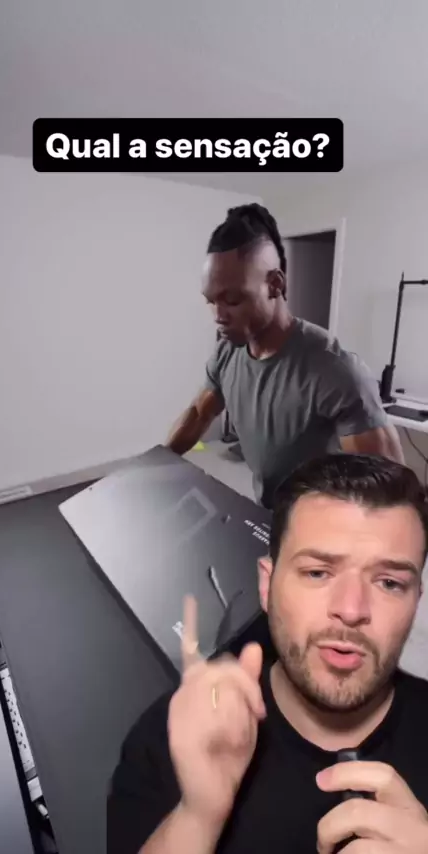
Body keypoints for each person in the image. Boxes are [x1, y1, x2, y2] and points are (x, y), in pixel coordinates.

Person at [106, 453, 428, 854]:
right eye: (318, 573)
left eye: (389, 583)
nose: (351, 609)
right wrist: (197, 816)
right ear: (267, 584)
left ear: (416, 600)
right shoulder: (175, 739)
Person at [166, 204, 404, 508]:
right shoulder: (227, 352)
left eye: (232, 300)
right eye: (211, 301)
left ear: (275, 284)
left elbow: (391, 490)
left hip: (321, 522)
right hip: (270, 511)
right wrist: (151, 466)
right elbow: (199, 414)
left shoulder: (335, 370)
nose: (218, 316)